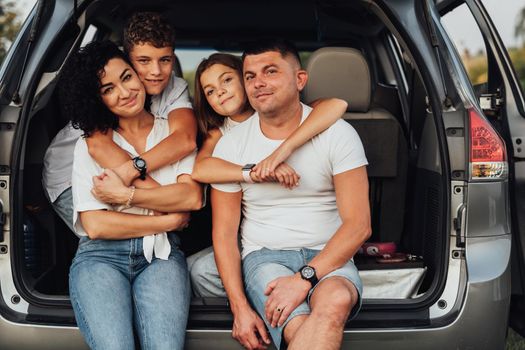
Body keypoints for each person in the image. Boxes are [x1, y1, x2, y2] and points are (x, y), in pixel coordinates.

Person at [210, 39, 371, 350]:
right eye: (250, 75)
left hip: (330, 253)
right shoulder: (231, 145)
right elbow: (224, 235)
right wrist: (239, 308)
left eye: (270, 71)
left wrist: (304, 278)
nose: (258, 83)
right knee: (299, 326)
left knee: (335, 298)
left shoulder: (338, 134)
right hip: (265, 256)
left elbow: (359, 225)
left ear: (300, 80)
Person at [64, 40, 202, 349]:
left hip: (161, 256)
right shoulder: (91, 144)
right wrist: (168, 220)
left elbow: (191, 198)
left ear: (139, 75)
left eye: (126, 77)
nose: (124, 92)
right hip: (100, 258)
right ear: (97, 99)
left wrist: (124, 196)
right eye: (108, 89)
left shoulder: (175, 134)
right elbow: (97, 226)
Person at [187, 52, 349, 297]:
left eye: (227, 80)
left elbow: (337, 104)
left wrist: (283, 151)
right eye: (209, 91)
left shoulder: (281, 109)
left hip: (304, 232)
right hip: (252, 232)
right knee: (198, 269)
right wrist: (256, 171)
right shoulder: (220, 134)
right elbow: (201, 168)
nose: (219, 92)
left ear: (246, 80)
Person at [42, 12, 196, 232]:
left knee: (160, 236)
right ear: (127, 59)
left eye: (165, 60)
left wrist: (134, 181)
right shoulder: (112, 85)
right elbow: (101, 147)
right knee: (110, 243)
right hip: (69, 176)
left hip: (124, 173)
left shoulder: (173, 86)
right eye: (143, 61)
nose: (156, 71)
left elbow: (185, 140)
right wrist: (167, 206)